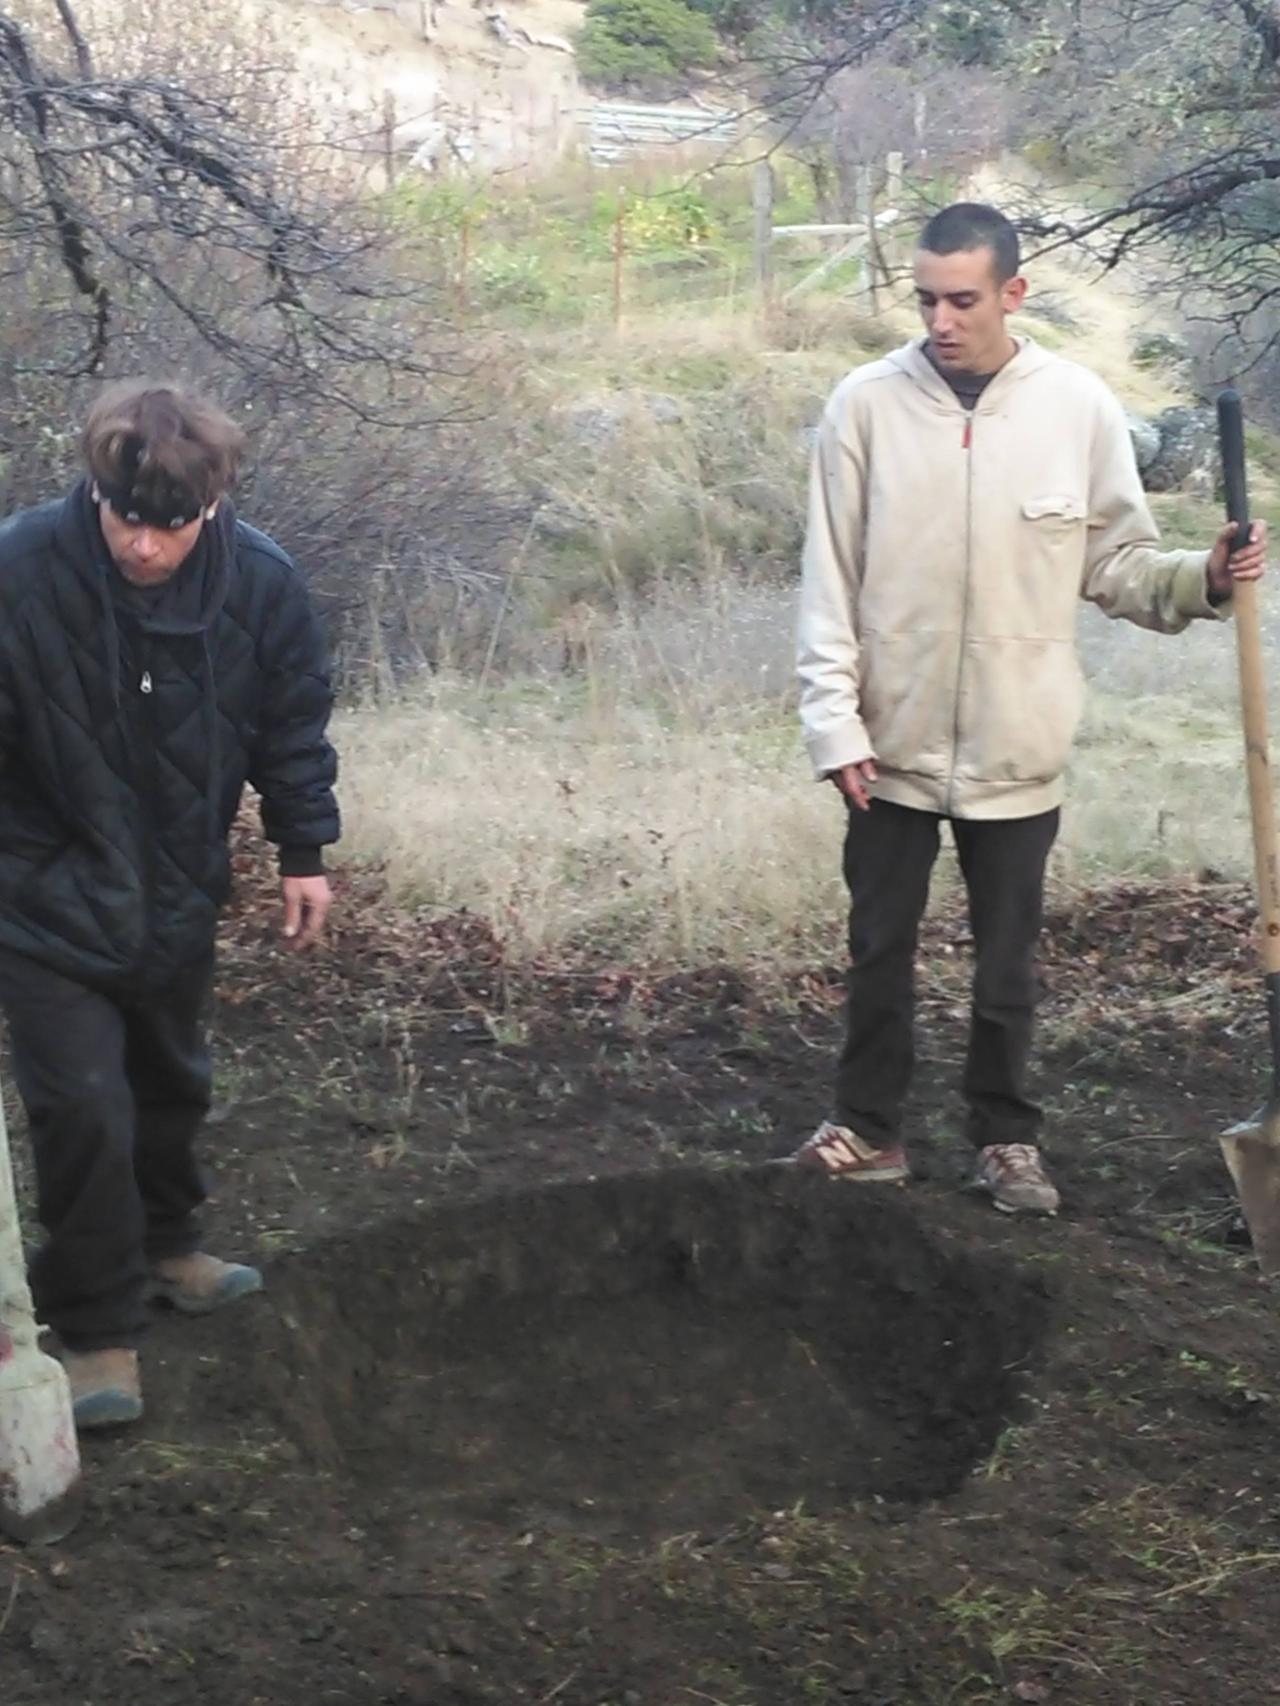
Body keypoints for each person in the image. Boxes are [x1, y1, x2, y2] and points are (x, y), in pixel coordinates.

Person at [792, 202, 1266, 1216]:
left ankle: (1005, 1137)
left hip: (1019, 741)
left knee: (1006, 964)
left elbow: (1116, 564)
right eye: (923, 298)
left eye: (960, 299)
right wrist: (834, 724)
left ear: (1012, 292)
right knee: (878, 948)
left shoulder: (1077, 407)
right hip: (890, 740)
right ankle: (867, 1128)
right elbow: (825, 579)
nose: (939, 320)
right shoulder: (863, 405)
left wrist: (1207, 576)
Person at [0, 380, 339, 1427]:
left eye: (170, 525)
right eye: (125, 518)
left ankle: (168, 1243)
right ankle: (98, 1328)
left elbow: (292, 722)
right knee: (83, 1105)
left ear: (211, 505)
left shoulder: (263, 584)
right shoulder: (18, 569)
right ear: (97, 492)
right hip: (37, 884)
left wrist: (302, 847)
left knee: (169, 1076)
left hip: (178, 882)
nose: (144, 546)